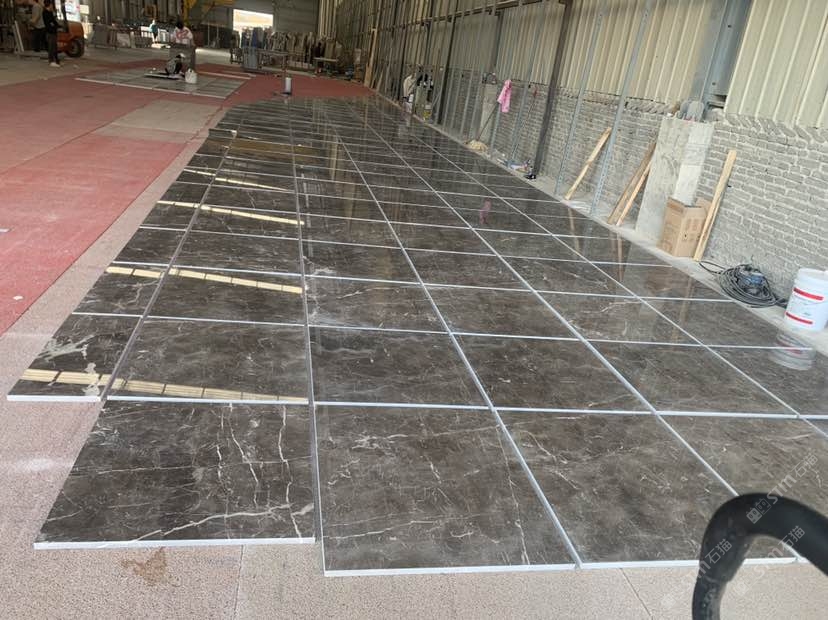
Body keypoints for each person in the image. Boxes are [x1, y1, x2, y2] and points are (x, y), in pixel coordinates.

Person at [42, 0, 60, 67]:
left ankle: (56, 60)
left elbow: (53, 21)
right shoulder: (45, 13)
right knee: (51, 47)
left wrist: (57, 26)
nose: (52, 6)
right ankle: (51, 61)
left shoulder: (50, 12)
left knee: (55, 47)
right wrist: (54, 26)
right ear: (49, 5)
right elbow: (50, 23)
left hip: (53, 31)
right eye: (51, 5)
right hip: (50, 32)